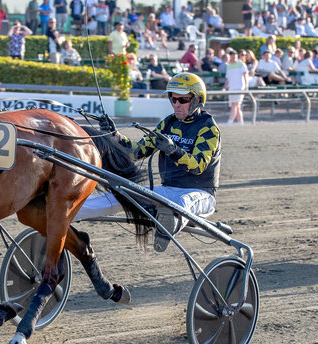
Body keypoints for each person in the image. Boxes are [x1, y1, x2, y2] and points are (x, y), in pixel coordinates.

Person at [79, 72, 221, 253]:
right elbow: (136, 152)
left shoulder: (207, 127)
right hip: (168, 191)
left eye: (182, 100)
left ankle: (169, 225)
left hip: (201, 194)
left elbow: (199, 166)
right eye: (173, 99)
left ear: (197, 100)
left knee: (185, 202)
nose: (176, 104)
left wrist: (173, 150)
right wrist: (115, 137)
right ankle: (69, 213)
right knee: (121, 193)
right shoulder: (167, 123)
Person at [223, 49, 247, 125]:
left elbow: (245, 75)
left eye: (235, 55)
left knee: (234, 105)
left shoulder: (241, 64)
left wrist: (246, 86)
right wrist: (224, 87)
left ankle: (229, 122)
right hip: (231, 89)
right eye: (232, 55)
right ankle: (241, 123)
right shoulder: (229, 66)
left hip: (239, 88)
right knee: (237, 106)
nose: (234, 57)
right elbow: (227, 79)